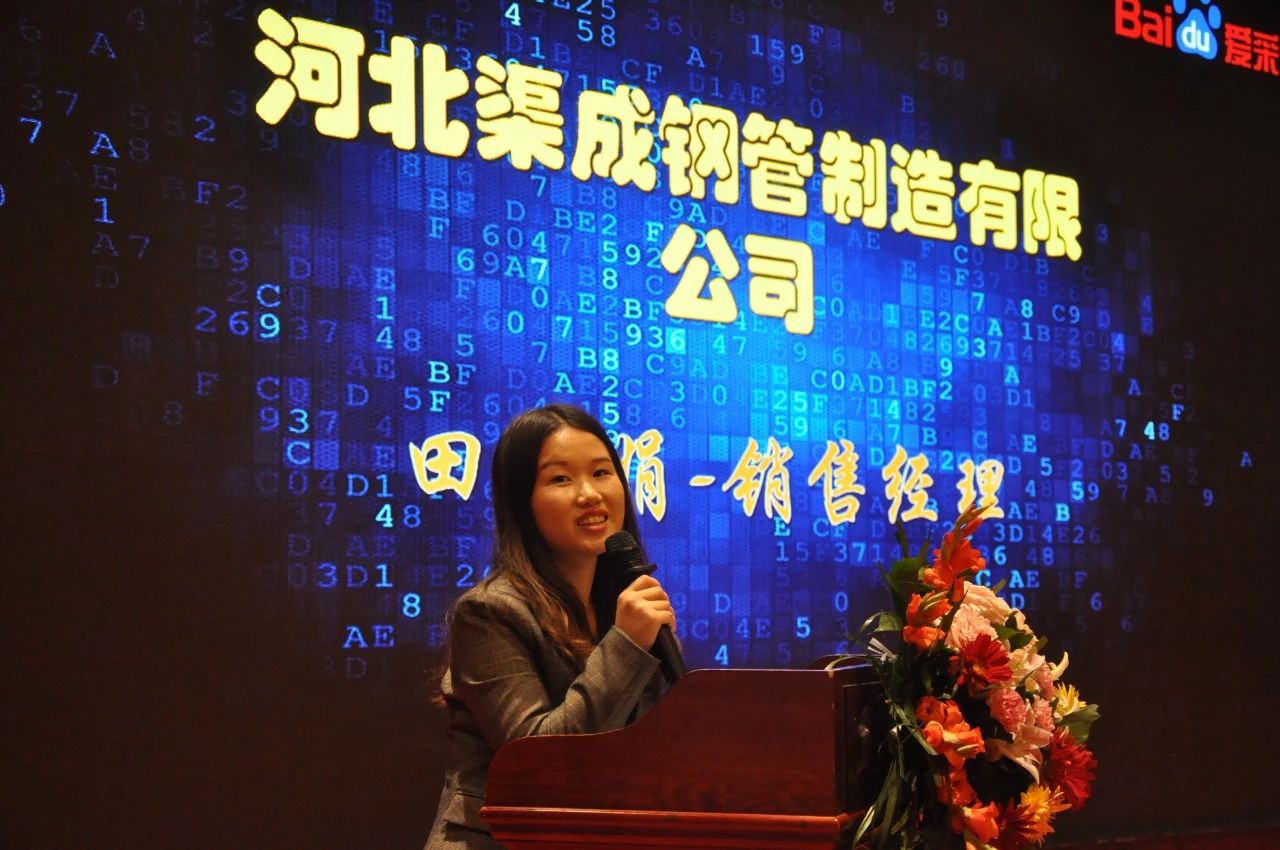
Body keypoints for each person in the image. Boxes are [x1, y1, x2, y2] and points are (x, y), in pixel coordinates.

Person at [423, 403, 677, 850]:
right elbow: (539, 762)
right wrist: (626, 646)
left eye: (601, 472)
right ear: (523, 502)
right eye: (561, 479)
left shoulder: (619, 604)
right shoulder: (489, 612)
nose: (590, 494)